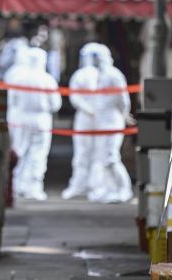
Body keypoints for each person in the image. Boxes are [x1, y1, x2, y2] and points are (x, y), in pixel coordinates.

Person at [12, 47, 62, 200]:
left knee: (21, 152)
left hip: (22, 119)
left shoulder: (20, 79)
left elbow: (13, 101)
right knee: (38, 154)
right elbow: (55, 104)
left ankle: (17, 185)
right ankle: (34, 187)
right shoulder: (47, 80)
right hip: (41, 120)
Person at [88, 44, 134, 204]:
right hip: (103, 122)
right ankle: (110, 189)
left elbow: (123, 99)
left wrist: (124, 114)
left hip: (112, 122)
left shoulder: (114, 75)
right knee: (103, 158)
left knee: (111, 158)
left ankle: (124, 190)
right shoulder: (101, 74)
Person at [62, 42, 101, 199]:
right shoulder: (84, 75)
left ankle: (94, 185)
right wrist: (89, 109)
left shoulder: (102, 75)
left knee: (95, 153)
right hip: (88, 118)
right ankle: (81, 185)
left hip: (95, 118)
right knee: (84, 153)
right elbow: (75, 97)